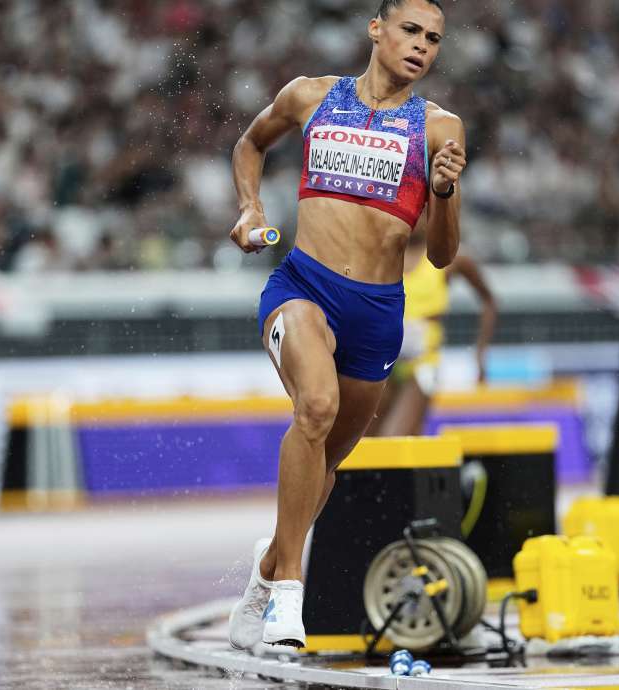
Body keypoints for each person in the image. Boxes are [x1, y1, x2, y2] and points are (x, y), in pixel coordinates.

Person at [225, 0, 465, 650]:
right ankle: (288, 598)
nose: (420, 45)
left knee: (325, 463)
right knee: (316, 409)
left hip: (378, 315)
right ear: (376, 29)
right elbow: (250, 143)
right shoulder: (310, 96)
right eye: (410, 30)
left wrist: (443, 195)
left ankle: (267, 570)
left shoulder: (440, 130)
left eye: (433, 39)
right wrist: (250, 209)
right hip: (301, 287)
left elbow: (442, 255)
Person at [369, 227, 496, 436]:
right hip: (382, 359)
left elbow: (488, 301)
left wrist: (480, 353)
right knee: (366, 440)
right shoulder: (383, 252)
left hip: (423, 362)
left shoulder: (451, 257)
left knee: (396, 437)